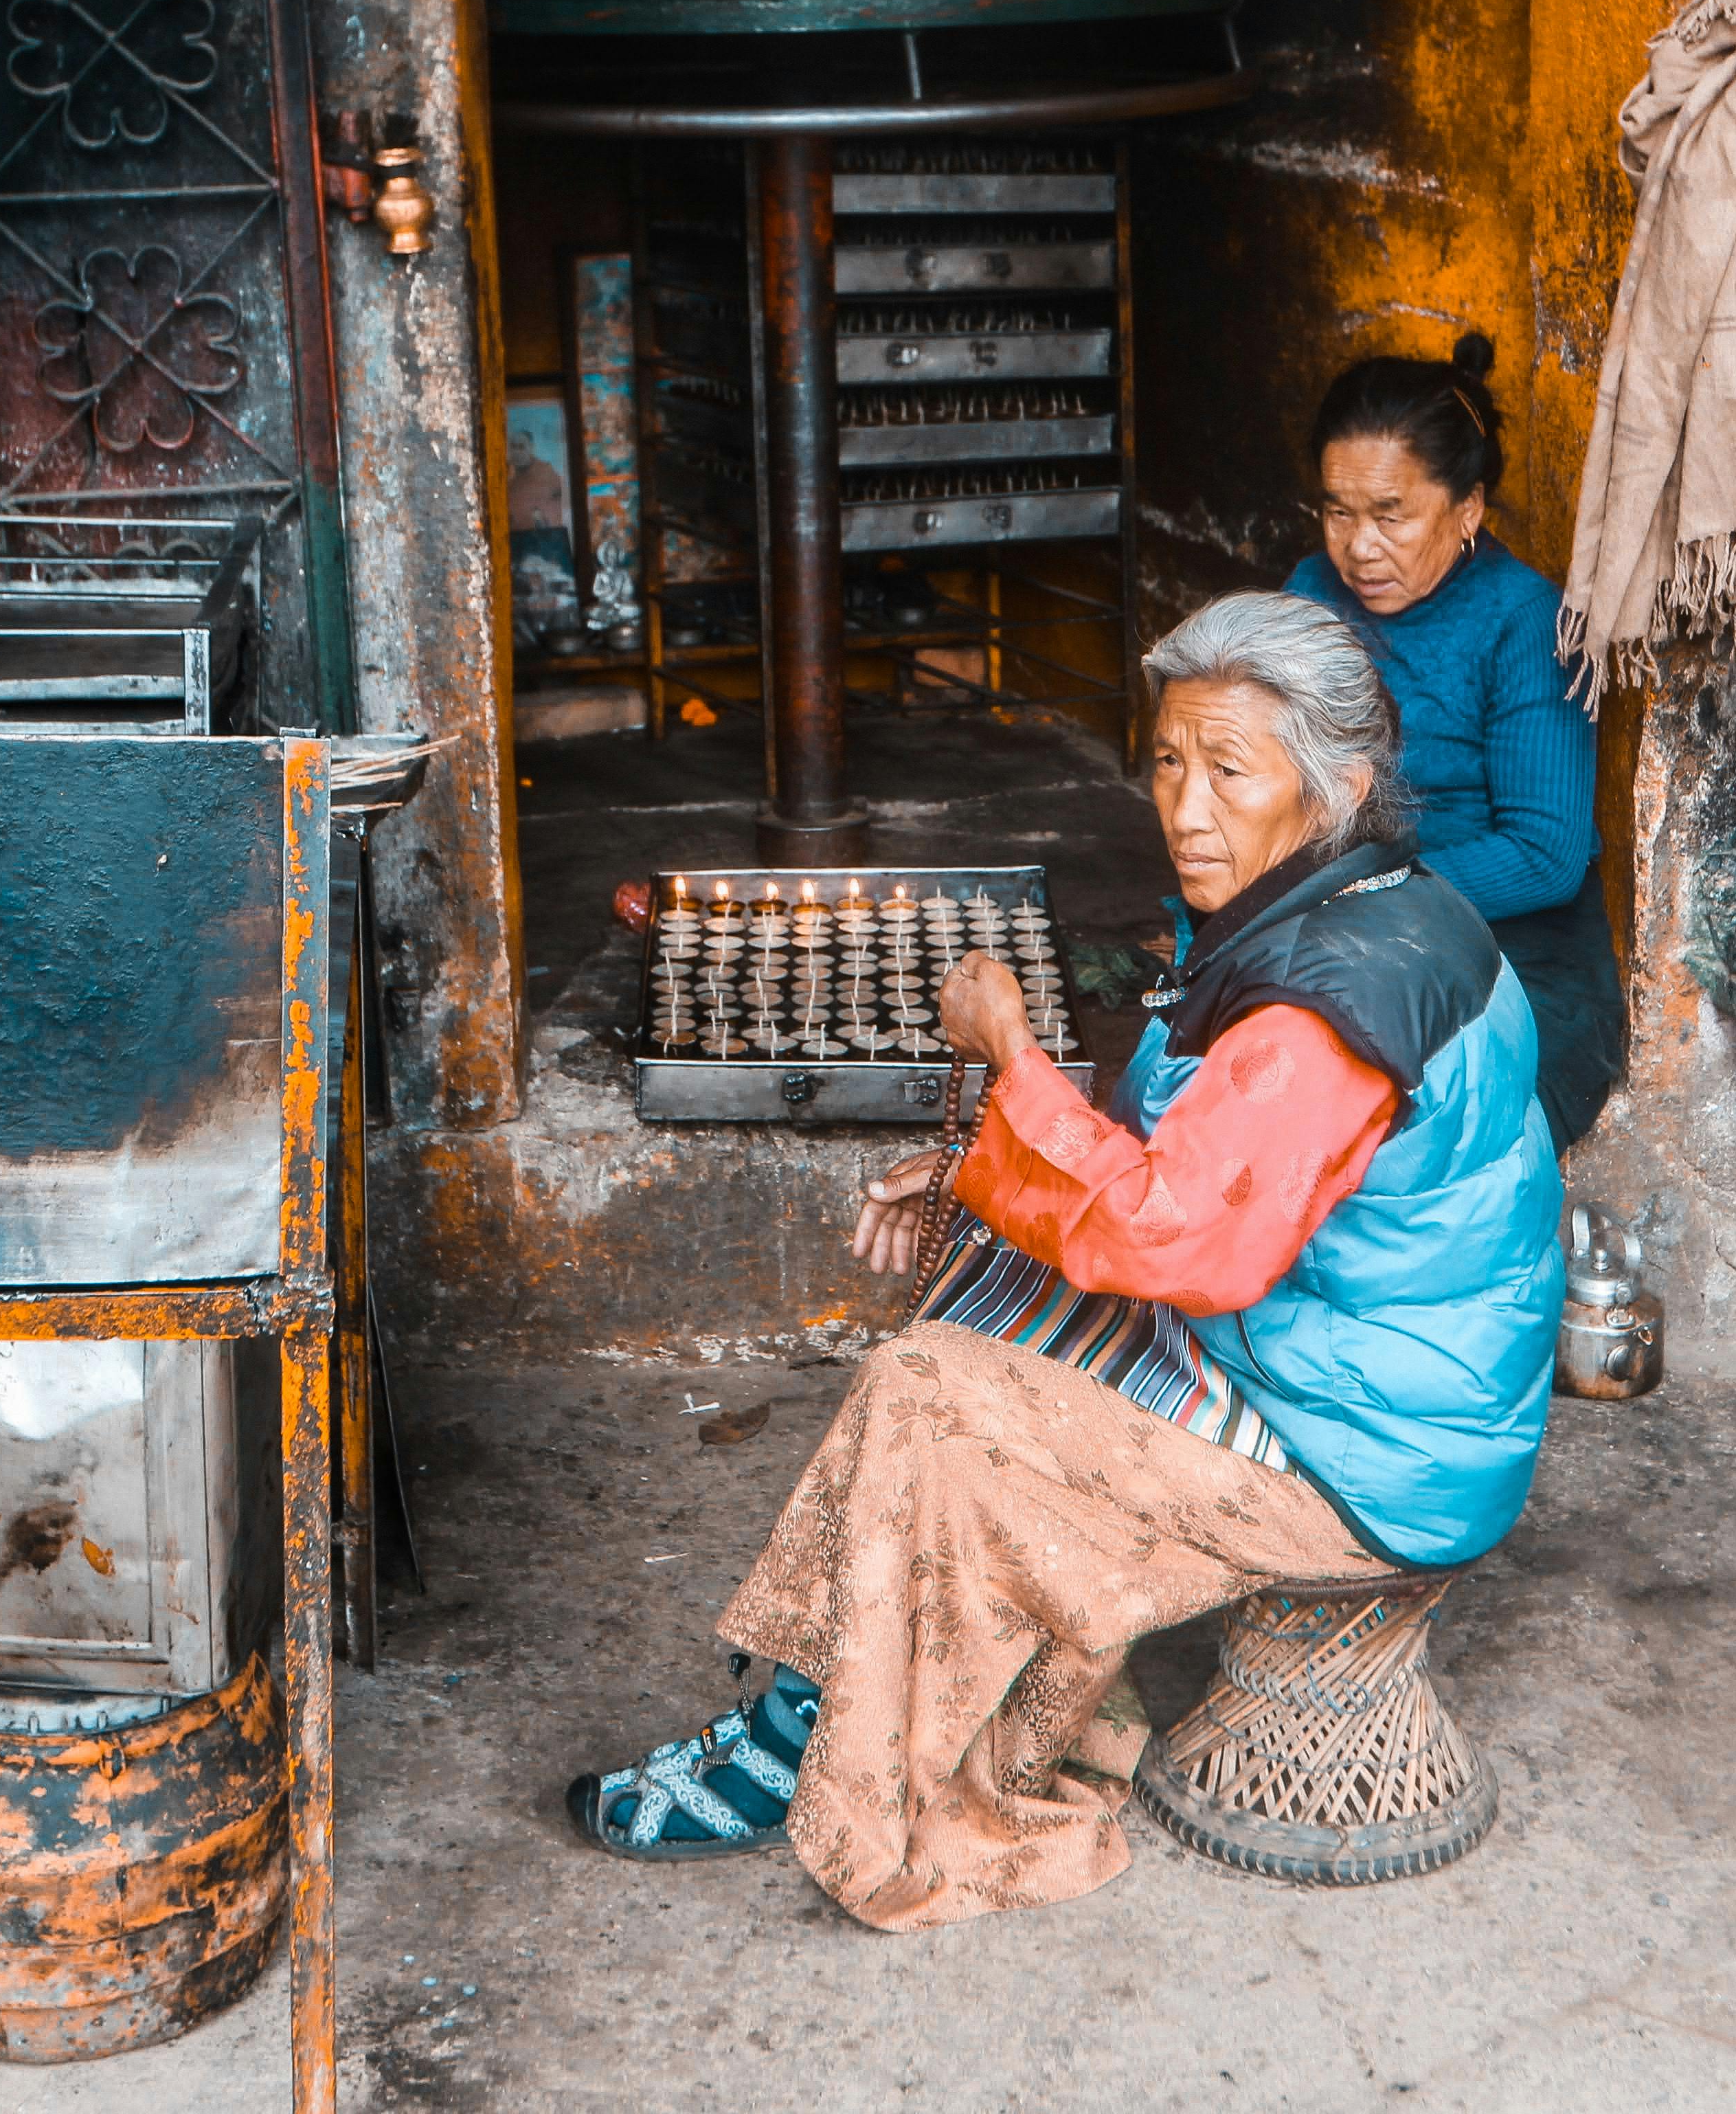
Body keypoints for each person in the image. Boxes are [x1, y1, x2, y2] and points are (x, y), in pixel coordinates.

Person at [563, 592, 1566, 1928]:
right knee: (996, 1293)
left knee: (935, 1386)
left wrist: (1012, 1061)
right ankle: (825, 1704)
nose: (1185, 808)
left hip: (1370, 1449)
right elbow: (1192, 1157)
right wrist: (988, 1164)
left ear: (1342, 788)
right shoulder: (1360, 907)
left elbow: (1176, 1238)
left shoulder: (1341, 992)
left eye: (1231, 771)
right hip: (1335, 1363)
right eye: (1168, 761)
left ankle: (827, 1752)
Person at [1288, 337, 1628, 1147]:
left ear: (1467, 509)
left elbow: (1547, 854)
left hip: (1501, 959)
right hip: (1336, 930)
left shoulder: (1525, 622)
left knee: (1372, 1121)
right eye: (1338, 511)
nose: (1359, 546)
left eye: (1390, 515)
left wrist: (1358, 892)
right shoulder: (1310, 592)